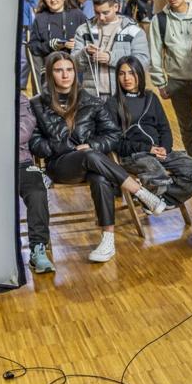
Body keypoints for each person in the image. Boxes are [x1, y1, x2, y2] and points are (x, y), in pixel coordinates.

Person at [29, 52, 166, 262]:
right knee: (90, 156)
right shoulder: (37, 104)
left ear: (75, 72)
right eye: (58, 70)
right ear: (49, 74)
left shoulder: (90, 101)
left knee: (99, 176)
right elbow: (34, 143)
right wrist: (63, 147)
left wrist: (92, 144)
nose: (65, 75)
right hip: (60, 166)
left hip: (92, 163)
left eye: (69, 69)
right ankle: (140, 192)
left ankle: (107, 240)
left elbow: (113, 134)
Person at [107, 56, 192, 209]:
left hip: (160, 152)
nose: (127, 78)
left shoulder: (151, 98)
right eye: (122, 74)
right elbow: (115, 142)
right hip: (134, 155)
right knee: (158, 177)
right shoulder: (112, 104)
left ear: (139, 74)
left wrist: (164, 148)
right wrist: (147, 149)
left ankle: (161, 201)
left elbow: (165, 129)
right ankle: (154, 199)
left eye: (131, 73)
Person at [149, 0, 192, 162]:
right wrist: (160, 82)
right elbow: (155, 53)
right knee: (186, 126)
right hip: (176, 81)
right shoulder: (159, 20)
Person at [71, 0, 150, 98]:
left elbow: (143, 61)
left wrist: (111, 58)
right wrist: (85, 54)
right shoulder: (83, 30)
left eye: (105, 12)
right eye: (97, 13)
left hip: (123, 95)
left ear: (116, 7)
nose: (101, 17)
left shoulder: (133, 31)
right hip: (92, 95)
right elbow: (73, 64)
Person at [28, 0, 87, 89]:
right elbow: (33, 46)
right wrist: (50, 45)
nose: (52, 0)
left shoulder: (77, 15)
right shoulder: (40, 18)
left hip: (75, 74)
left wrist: (79, 43)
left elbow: (91, 40)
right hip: (49, 75)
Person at [18, 92, 53, 274]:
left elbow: (23, 133)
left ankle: (38, 249)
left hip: (22, 163)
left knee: (38, 192)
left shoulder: (20, 98)